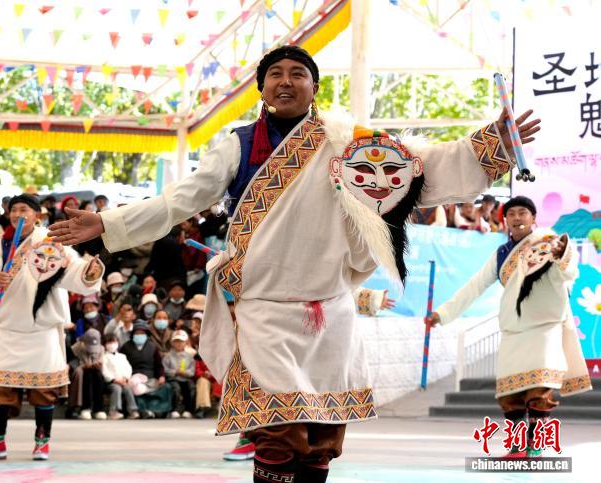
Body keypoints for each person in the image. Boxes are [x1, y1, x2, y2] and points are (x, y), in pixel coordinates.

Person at [48, 45, 540, 482]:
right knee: (277, 433)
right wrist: (108, 223)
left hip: (332, 311)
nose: (286, 81)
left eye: (297, 73)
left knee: (323, 438)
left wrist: (491, 144)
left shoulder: (350, 141)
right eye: (275, 74)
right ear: (262, 88)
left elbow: (418, 166)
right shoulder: (238, 145)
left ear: (315, 87)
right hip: (264, 310)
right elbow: (180, 199)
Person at [425, 196, 591, 458]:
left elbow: (568, 273)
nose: (517, 217)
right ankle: (516, 447)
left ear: (534, 218)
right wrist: (443, 313)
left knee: (539, 390)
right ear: (505, 220)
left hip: (545, 327)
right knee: (509, 394)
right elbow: (475, 285)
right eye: (511, 213)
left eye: (523, 212)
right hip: (513, 330)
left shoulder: (548, 242)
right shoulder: (501, 254)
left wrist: (562, 256)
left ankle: (535, 446)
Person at [0, 194, 104, 461]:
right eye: (13, 210)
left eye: (24, 209)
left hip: (42, 328)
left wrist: (88, 272)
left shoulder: (51, 240)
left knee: (43, 390)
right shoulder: (2, 242)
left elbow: (72, 269)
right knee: (0, 388)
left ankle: (42, 443)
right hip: (9, 326)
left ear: (37, 215)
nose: (17, 214)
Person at [119, 320, 170, 419]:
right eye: (137, 333)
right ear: (133, 334)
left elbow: (159, 365)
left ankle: (159, 411)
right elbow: (121, 364)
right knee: (137, 389)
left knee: (166, 387)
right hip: (133, 378)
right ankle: (142, 411)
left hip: (151, 378)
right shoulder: (126, 347)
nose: (139, 335)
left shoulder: (153, 347)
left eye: (142, 333)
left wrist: (161, 376)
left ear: (146, 334)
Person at [71, 328, 107, 420]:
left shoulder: (101, 348)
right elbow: (73, 361)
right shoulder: (77, 347)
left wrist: (98, 364)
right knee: (87, 377)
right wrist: (84, 366)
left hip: (95, 370)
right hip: (82, 371)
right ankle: (85, 408)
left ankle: (98, 409)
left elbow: (101, 361)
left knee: (99, 377)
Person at [102, 333, 138, 419]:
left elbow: (128, 368)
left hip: (123, 380)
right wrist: (114, 380)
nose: (112, 345)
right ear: (105, 345)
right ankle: (113, 411)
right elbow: (104, 371)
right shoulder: (103, 357)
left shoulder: (122, 356)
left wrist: (125, 378)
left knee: (128, 388)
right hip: (111, 382)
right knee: (116, 388)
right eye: (109, 342)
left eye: (114, 342)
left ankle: (132, 410)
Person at [163, 329, 196, 419]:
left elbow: (192, 371)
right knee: (175, 388)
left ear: (185, 343)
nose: (179, 344)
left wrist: (186, 373)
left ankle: (188, 410)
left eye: (181, 341)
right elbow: (165, 370)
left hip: (186, 378)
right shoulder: (168, 356)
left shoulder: (189, 357)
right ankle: (175, 410)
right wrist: (174, 372)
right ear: (172, 343)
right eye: (176, 341)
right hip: (173, 379)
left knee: (191, 387)